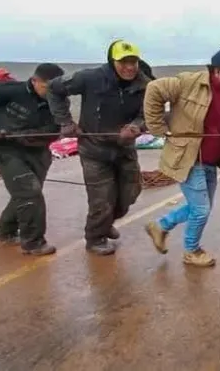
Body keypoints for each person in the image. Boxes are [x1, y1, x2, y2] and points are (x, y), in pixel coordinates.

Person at [142, 48, 220, 267]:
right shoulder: (189, 83)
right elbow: (154, 90)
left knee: (200, 207)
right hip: (188, 159)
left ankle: (161, 225)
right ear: (218, 72)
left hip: (212, 161)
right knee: (201, 210)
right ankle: (191, 251)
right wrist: (158, 127)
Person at [47, 39, 148, 256]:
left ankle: (106, 221)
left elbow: (148, 112)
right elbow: (54, 89)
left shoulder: (144, 84)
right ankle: (95, 238)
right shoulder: (89, 77)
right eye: (124, 61)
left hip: (124, 149)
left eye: (134, 61)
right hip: (94, 150)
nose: (130, 67)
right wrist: (65, 121)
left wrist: (136, 126)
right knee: (102, 197)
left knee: (131, 192)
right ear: (112, 61)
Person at [0, 63, 64, 256]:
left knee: (24, 194)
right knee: (30, 192)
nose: (52, 91)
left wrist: (24, 134)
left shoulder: (59, 99)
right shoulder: (8, 91)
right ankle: (33, 242)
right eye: (47, 86)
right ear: (35, 81)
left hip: (39, 152)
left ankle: (5, 231)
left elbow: (55, 129)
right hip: (9, 152)